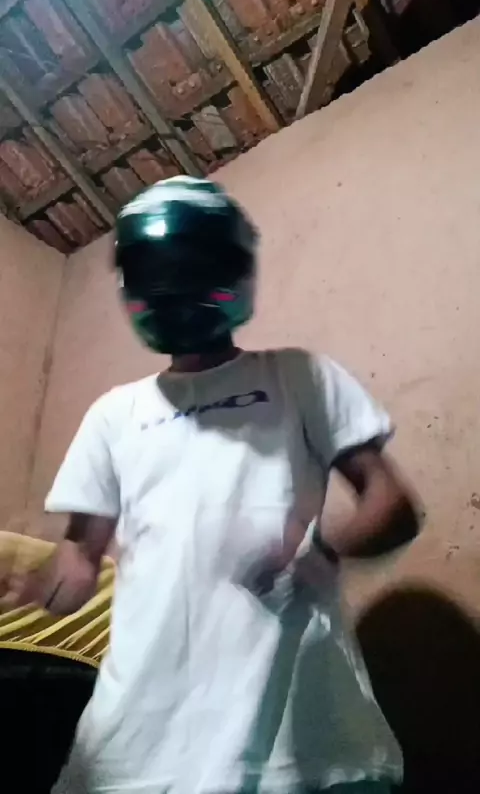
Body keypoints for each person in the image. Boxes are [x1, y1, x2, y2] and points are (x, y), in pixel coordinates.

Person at [4, 177, 420, 794]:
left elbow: (392, 504)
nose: (173, 289)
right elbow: (79, 559)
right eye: (156, 274)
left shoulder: (297, 376)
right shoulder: (114, 414)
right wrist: (38, 587)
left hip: (294, 735)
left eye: (189, 268)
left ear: (230, 270)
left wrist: (319, 553)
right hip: (135, 745)